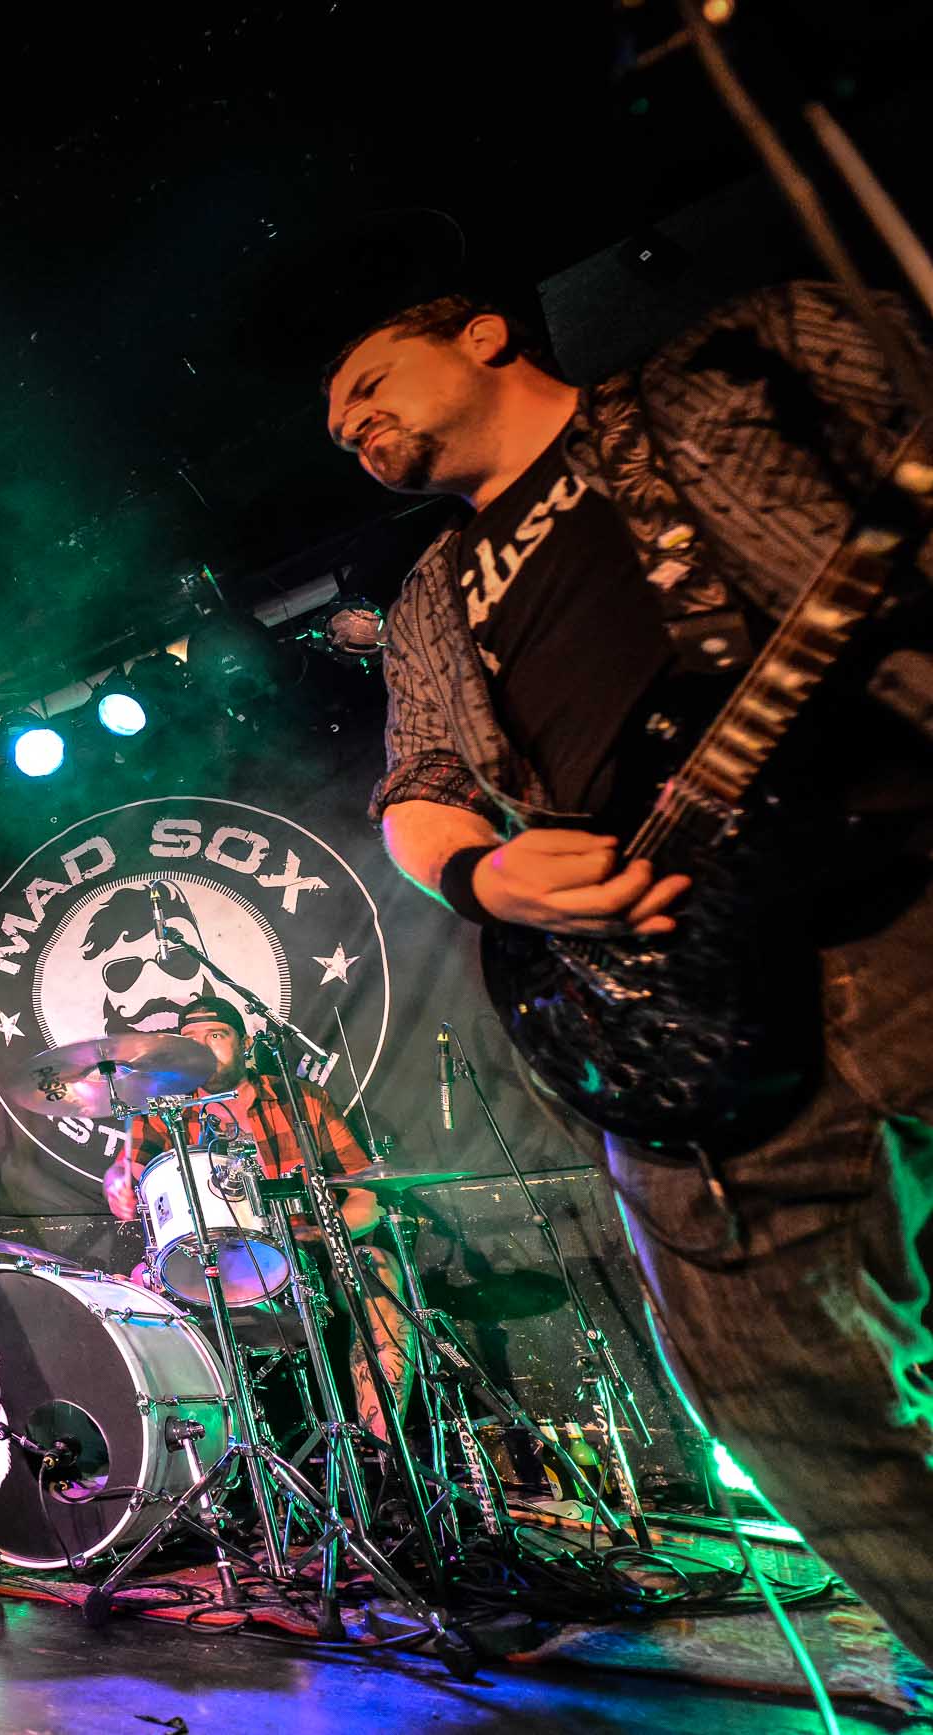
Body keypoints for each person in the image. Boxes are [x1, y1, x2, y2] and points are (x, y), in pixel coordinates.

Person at [328, 282, 933, 1658]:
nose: (350, 424)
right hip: (679, 999)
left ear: (481, 333)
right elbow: (418, 792)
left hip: (900, 884)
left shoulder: (725, 373)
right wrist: (485, 876)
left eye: (367, 380)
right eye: (337, 424)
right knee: (768, 1385)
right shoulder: (428, 595)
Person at [102, 997, 410, 1443]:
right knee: (130, 1290)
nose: (203, 1047)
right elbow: (126, 1180)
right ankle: (188, 1454)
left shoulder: (301, 1099)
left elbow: (366, 1197)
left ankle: (386, 1451)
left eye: (216, 1035)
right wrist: (116, 1179)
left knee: (378, 1268)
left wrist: (321, 1234)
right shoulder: (165, 1111)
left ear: (245, 1044)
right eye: (191, 1040)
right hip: (201, 1264)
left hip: (304, 1254)